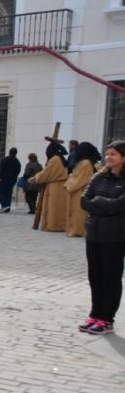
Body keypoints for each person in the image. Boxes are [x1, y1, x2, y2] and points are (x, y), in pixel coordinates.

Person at [78, 140, 125, 335]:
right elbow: (84, 201)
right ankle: (95, 313)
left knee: (111, 278)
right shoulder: (98, 176)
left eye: (113, 154)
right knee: (95, 277)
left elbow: (120, 205)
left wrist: (98, 203)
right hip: (94, 234)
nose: (108, 157)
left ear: (123, 158)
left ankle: (107, 318)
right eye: (107, 153)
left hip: (115, 236)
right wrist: (105, 205)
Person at [29, 138, 69, 232]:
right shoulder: (60, 158)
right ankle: (58, 224)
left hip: (55, 186)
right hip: (59, 185)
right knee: (58, 207)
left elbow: (48, 172)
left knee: (54, 207)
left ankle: (54, 225)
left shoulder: (55, 159)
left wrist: (36, 178)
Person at [66, 141, 100, 238]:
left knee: (78, 211)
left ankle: (77, 230)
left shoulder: (86, 163)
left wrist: (68, 183)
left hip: (81, 190)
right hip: (80, 188)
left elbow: (79, 178)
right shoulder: (86, 161)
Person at [0, 147, 21, 213]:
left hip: (3, 179)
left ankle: (5, 205)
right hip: (12, 180)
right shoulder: (17, 161)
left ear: (9, 152)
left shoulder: (5, 159)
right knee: (8, 193)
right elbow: (18, 171)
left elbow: (0, 168)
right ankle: (7, 207)